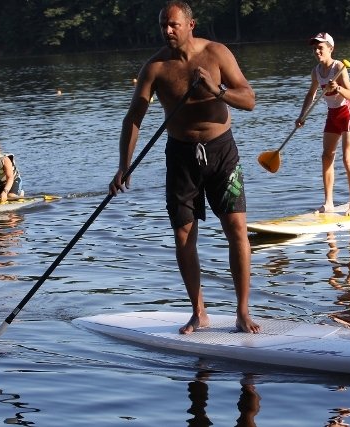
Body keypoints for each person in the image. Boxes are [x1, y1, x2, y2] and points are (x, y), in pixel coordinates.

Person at [109, 0, 260, 335]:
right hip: (181, 156)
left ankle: (242, 311)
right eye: (163, 24)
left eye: (173, 24)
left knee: (236, 229)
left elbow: (249, 99)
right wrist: (125, 165)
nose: (167, 31)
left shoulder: (217, 53)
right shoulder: (156, 68)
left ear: (190, 25)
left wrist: (216, 90)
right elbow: (134, 118)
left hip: (221, 152)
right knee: (183, 235)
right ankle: (198, 312)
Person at [295, 32, 350, 215]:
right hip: (332, 114)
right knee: (326, 156)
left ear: (330, 49)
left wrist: (337, 87)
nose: (317, 51)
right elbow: (311, 94)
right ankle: (328, 203)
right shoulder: (316, 71)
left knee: (347, 157)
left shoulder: (339, 67)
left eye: (320, 48)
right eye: (315, 48)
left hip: (347, 112)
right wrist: (302, 115)